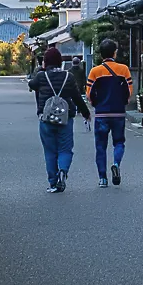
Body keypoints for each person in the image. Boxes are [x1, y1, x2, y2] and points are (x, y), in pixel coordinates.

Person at [28, 47, 90, 193]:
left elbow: (31, 85)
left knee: (50, 151)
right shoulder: (68, 77)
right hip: (65, 118)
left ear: (46, 62)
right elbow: (76, 97)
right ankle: (63, 171)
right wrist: (86, 113)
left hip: (46, 118)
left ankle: (53, 183)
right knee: (65, 149)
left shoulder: (41, 76)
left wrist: (39, 70)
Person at [86, 39, 132, 187]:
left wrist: (95, 104)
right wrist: (123, 102)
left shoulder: (95, 71)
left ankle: (102, 179)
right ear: (114, 52)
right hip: (118, 113)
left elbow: (89, 93)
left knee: (100, 146)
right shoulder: (124, 69)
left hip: (101, 114)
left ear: (100, 54)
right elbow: (129, 91)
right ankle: (116, 164)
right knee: (119, 142)